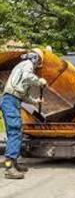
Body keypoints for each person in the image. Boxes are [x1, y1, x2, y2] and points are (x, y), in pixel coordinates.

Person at [1, 48, 47, 179]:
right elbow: (28, 77)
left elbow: (24, 95)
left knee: (16, 131)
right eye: (39, 62)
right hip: (10, 100)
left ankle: (14, 163)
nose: (38, 66)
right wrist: (40, 81)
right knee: (15, 130)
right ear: (36, 58)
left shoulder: (23, 68)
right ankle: (9, 167)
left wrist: (35, 101)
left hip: (14, 100)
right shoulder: (27, 64)